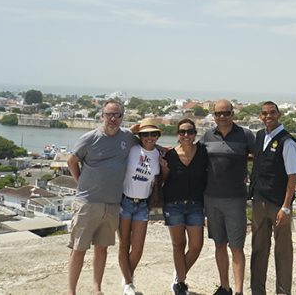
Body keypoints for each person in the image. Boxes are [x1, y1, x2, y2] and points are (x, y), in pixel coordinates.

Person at [67, 99, 135, 295]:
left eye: (118, 115)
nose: (113, 118)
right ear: (102, 115)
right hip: (88, 203)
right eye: (109, 114)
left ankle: (96, 288)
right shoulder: (90, 138)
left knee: (102, 248)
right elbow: (72, 161)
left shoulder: (127, 137)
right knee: (79, 249)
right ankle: (71, 291)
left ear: (122, 117)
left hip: (112, 204)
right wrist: (80, 183)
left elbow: (146, 141)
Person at [202, 100, 255, 295]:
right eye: (218, 113)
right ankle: (225, 287)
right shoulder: (208, 136)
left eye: (226, 113)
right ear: (214, 115)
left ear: (233, 113)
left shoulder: (246, 135)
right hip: (211, 198)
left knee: (237, 247)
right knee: (219, 244)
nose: (222, 117)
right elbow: (195, 157)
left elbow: (260, 156)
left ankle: (239, 290)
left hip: (235, 199)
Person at [250, 101, 296, 295]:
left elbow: (292, 176)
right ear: (260, 116)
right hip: (259, 201)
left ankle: (283, 292)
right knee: (259, 249)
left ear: (278, 114)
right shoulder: (260, 136)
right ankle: (257, 290)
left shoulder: (288, 142)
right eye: (264, 113)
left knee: (283, 251)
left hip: (279, 205)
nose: (267, 116)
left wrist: (286, 207)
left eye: (272, 113)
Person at [119, 118, 165, 295]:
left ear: (158, 136)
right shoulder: (131, 149)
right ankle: (129, 284)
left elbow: (162, 178)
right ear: (139, 135)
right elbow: (123, 134)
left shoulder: (159, 155)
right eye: (145, 134)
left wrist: (164, 167)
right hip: (125, 202)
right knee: (124, 245)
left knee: (138, 247)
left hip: (143, 204)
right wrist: (139, 126)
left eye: (153, 134)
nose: (149, 137)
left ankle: (126, 278)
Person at [162, 118, 208, 295]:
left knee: (196, 246)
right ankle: (181, 283)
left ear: (195, 134)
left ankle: (178, 275)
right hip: (173, 204)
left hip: (196, 204)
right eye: (182, 132)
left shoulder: (203, 152)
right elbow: (164, 179)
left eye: (189, 132)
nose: (186, 135)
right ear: (177, 135)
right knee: (178, 244)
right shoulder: (170, 155)